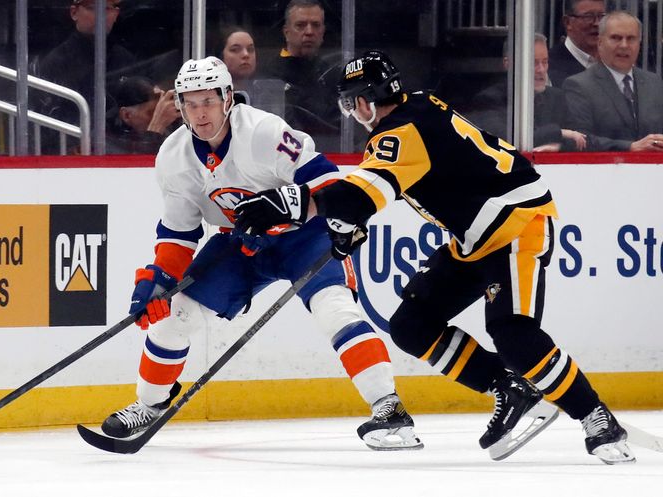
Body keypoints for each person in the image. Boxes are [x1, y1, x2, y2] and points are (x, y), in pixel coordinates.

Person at [235, 50, 636, 465]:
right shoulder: (420, 106)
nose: (353, 113)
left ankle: (597, 418)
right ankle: (509, 389)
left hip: (518, 225)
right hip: (476, 237)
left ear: (366, 102)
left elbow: (360, 193)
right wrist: (348, 219)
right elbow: (390, 185)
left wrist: (286, 202)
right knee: (412, 325)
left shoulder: (401, 132)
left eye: (351, 103)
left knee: (514, 333)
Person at [99, 56, 423, 452]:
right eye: (191, 103)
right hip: (240, 243)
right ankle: (149, 405)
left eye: (208, 101)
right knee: (172, 316)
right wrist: (160, 279)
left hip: (305, 236)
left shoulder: (264, 132)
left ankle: (389, 409)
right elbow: (179, 232)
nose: (201, 113)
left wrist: (297, 209)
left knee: (334, 309)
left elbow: (326, 181)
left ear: (227, 98)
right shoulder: (173, 156)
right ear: (179, 107)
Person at [36, 0, 137, 149]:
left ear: (116, 14)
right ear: (74, 13)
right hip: (73, 153)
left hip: (121, 149)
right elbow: (48, 125)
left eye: (107, 9)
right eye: (93, 8)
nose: (101, 15)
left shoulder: (125, 59)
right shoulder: (56, 62)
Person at [563, 11, 663, 151]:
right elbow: (580, 139)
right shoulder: (579, 85)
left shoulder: (655, 83)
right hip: (603, 170)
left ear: (639, 44)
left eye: (631, 38)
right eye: (616, 38)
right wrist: (630, 147)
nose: (624, 45)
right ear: (600, 42)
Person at [468, 34, 587, 152]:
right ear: (508, 64)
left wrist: (559, 147)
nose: (541, 70)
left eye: (545, 62)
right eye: (533, 63)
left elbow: (582, 138)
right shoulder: (489, 99)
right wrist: (560, 132)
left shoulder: (557, 97)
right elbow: (507, 139)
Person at [268, 0, 341, 145]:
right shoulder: (270, 74)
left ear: (323, 31)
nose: (309, 32)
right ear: (286, 32)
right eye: (300, 25)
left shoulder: (331, 73)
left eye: (316, 25)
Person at [105, 76, 180, 154]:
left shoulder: (171, 128)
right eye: (153, 112)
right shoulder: (105, 141)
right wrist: (156, 130)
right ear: (126, 115)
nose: (162, 117)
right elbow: (142, 162)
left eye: (162, 110)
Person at [548, 0, 606, 87]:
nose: (597, 23)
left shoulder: (614, 62)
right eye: (588, 17)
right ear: (567, 22)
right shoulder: (548, 67)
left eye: (601, 16)